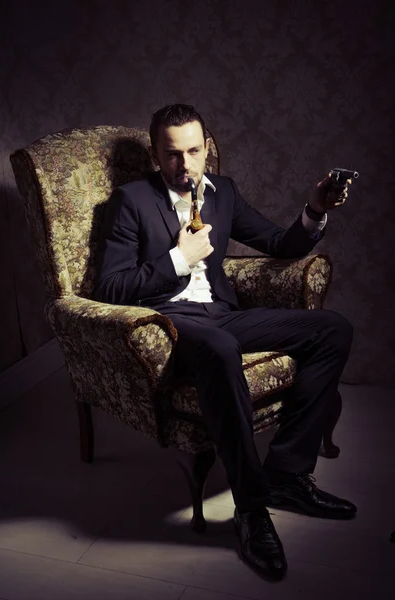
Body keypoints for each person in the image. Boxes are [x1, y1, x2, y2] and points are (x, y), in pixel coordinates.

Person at [94, 104, 356, 580]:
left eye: (194, 151)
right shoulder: (130, 201)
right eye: (173, 154)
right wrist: (178, 258)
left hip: (222, 315)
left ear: (206, 149)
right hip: (171, 323)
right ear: (156, 154)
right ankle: (251, 509)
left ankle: (288, 476)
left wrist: (315, 209)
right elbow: (108, 288)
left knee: (333, 329)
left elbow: (281, 244)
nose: (185, 165)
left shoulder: (225, 192)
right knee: (218, 348)